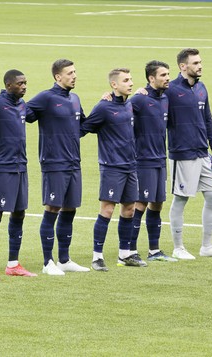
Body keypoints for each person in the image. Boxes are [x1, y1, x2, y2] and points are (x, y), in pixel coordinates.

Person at [28, 59, 91, 275]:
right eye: (70, 73)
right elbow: (22, 113)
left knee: (70, 209)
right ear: (58, 77)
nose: (74, 76)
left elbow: (83, 125)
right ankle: (48, 262)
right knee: (52, 208)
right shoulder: (46, 98)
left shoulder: (74, 98)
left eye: (75, 72)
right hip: (54, 163)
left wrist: (109, 103)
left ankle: (64, 259)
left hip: (74, 162)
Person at [166, 48, 212, 259]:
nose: (200, 66)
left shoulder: (202, 88)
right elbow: (150, 100)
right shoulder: (171, 89)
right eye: (195, 63)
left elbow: (208, 119)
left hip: (203, 154)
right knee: (181, 200)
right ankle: (178, 248)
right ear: (183, 66)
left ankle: (207, 246)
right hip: (182, 154)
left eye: (200, 62)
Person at [80, 68, 143, 271]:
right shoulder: (104, 107)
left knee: (129, 208)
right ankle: (97, 257)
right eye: (126, 80)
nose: (130, 83)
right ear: (114, 85)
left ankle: (125, 254)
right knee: (107, 210)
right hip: (111, 167)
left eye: (131, 79)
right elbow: (83, 128)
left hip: (130, 166)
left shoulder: (129, 105)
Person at [0, 69, 37, 281]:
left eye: (25, 83)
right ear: (8, 84)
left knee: (19, 213)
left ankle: (13, 264)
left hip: (21, 166)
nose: (24, 86)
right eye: (20, 83)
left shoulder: (22, 105)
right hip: (2, 167)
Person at [129, 61, 177, 262]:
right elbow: (121, 112)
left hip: (159, 158)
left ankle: (154, 250)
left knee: (157, 203)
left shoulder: (164, 98)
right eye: (163, 75)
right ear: (151, 78)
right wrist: (109, 97)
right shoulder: (139, 99)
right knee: (140, 204)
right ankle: (129, 250)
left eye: (168, 74)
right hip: (143, 160)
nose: (167, 78)